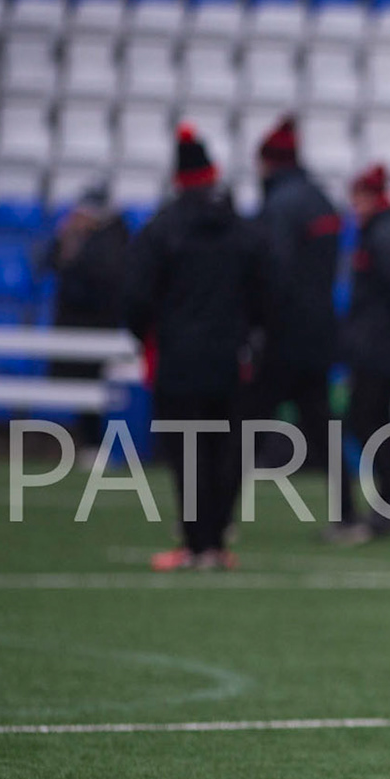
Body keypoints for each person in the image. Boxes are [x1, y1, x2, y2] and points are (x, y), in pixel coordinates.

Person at [127, 126, 270, 572]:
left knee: (186, 452)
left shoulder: (162, 229)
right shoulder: (242, 231)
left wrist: (152, 335)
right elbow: (267, 292)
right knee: (224, 451)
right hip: (231, 357)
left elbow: (135, 296)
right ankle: (216, 540)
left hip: (179, 358)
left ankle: (194, 543)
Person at [328, 163, 390, 544]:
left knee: (364, 420)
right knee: (374, 421)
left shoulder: (382, 236)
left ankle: (388, 498)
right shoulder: (386, 232)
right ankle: (389, 497)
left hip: (377, 345)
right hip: (381, 343)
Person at [245, 115, 341, 475]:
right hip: (318, 330)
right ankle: (347, 513)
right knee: (321, 427)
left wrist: (259, 323)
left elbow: (274, 273)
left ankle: (216, 517)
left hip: (284, 334)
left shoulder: (280, 206)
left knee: (248, 422)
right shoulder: (321, 200)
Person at [41, 182, 130, 448]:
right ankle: (89, 442)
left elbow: (101, 279)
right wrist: (69, 241)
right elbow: (50, 263)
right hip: (79, 322)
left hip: (99, 323)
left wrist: (74, 255)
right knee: (83, 390)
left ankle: (99, 444)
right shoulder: (77, 236)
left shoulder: (114, 239)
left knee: (99, 388)